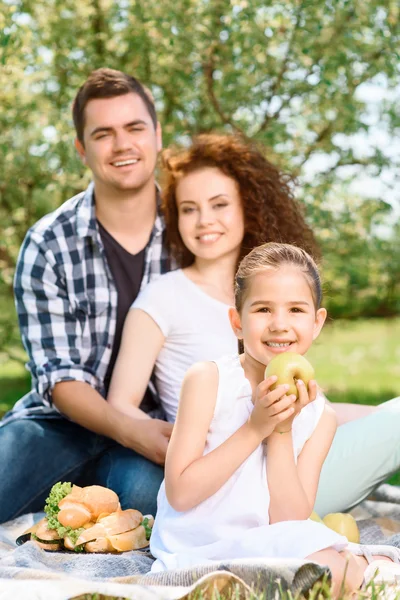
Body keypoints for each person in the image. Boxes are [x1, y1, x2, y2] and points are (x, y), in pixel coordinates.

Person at [108, 134, 400, 517]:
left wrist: (380, 416)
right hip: (239, 475)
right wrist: (169, 443)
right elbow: (121, 404)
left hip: (295, 455)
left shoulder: (267, 292)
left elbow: (314, 412)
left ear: (247, 207)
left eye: (219, 204)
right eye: (189, 209)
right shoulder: (161, 298)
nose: (205, 220)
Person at [148, 242, 400, 596]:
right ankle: (365, 568)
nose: (279, 325)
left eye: (296, 310)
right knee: (316, 572)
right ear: (237, 322)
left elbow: (289, 519)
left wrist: (281, 429)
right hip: (195, 549)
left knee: (327, 568)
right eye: (263, 309)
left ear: (316, 322)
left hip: (269, 543)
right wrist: (255, 428)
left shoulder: (320, 417)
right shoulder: (208, 381)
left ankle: (361, 566)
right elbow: (181, 494)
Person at [0, 68, 174, 523]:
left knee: (144, 505)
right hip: (57, 424)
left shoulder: (193, 231)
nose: (122, 145)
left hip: (161, 422)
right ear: (82, 148)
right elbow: (59, 378)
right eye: (103, 134)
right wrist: (128, 430)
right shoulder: (48, 243)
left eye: (135, 128)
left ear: (157, 135)